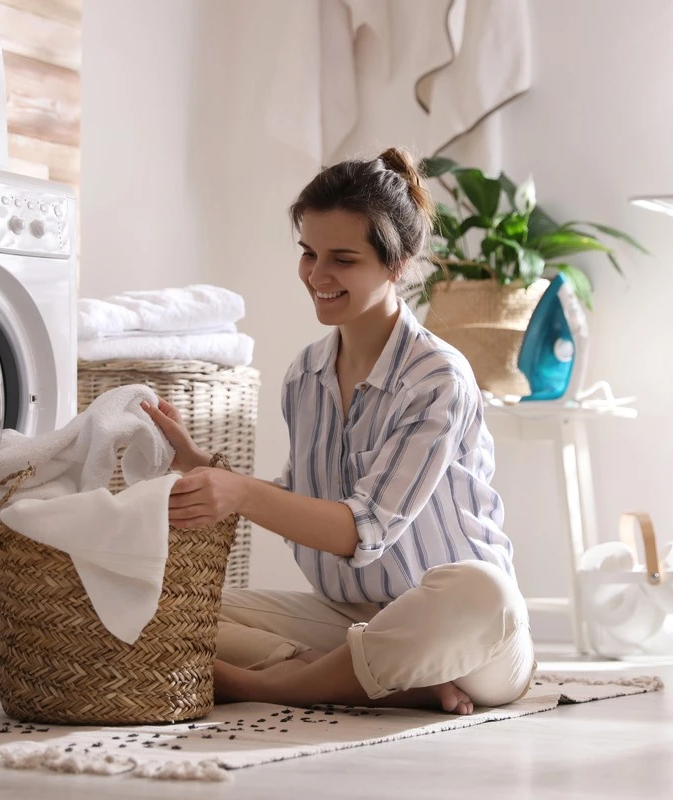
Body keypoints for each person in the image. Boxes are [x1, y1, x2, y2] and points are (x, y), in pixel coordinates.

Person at [143, 147, 535, 716]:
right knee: (172, 604)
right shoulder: (304, 375)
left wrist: (243, 494)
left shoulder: (437, 378)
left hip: (471, 632)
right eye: (308, 253)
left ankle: (273, 685)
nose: (317, 276)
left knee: (483, 594)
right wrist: (207, 468)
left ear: (396, 265)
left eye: (343, 259)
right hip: (352, 620)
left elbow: (362, 529)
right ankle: (390, 680)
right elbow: (307, 507)